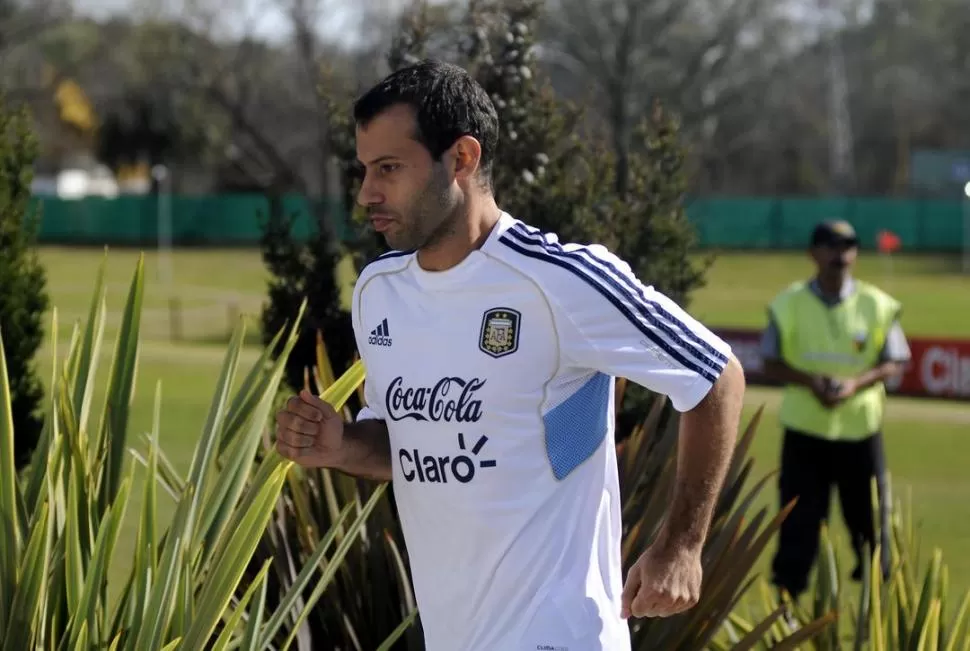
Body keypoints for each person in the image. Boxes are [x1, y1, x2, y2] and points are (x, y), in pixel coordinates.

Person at [274, 59, 746, 651]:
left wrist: (682, 544)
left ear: (462, 159)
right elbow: (412, 446)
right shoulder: (379, 292)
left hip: (561, 636)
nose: (368, 192)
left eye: (389, 168)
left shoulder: (561, 280)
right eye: (365, 170)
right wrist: (341, 445)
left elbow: (714, 375)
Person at [761, 219, 910, 607]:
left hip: (860, 433)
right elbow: (769, 360)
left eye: (848, 245)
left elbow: (895, 360)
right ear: (813, 253)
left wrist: (855, 384)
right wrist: (811, 382)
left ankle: (879, 611)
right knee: (798, 526)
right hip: (804, 434)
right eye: (830, 245)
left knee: (871, 525)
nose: (840, 253)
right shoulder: (788, 303)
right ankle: (786, 611)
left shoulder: (877, 304)